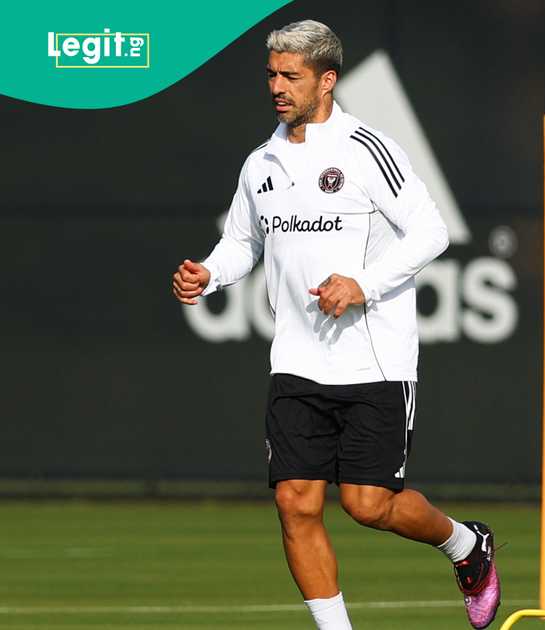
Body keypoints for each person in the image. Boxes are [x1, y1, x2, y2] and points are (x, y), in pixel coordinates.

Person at [171, 20, 500, 630]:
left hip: (374, 358)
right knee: (295, 501)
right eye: (271, 73)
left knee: (368, 506)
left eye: (290, 75)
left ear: (327, 80)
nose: (276, 86)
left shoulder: (366, 149)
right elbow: (241, 243)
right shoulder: (260, 161)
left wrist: (362, 284)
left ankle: (464, 545)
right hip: (296, 360)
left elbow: (430, 230)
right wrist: (208, 275)